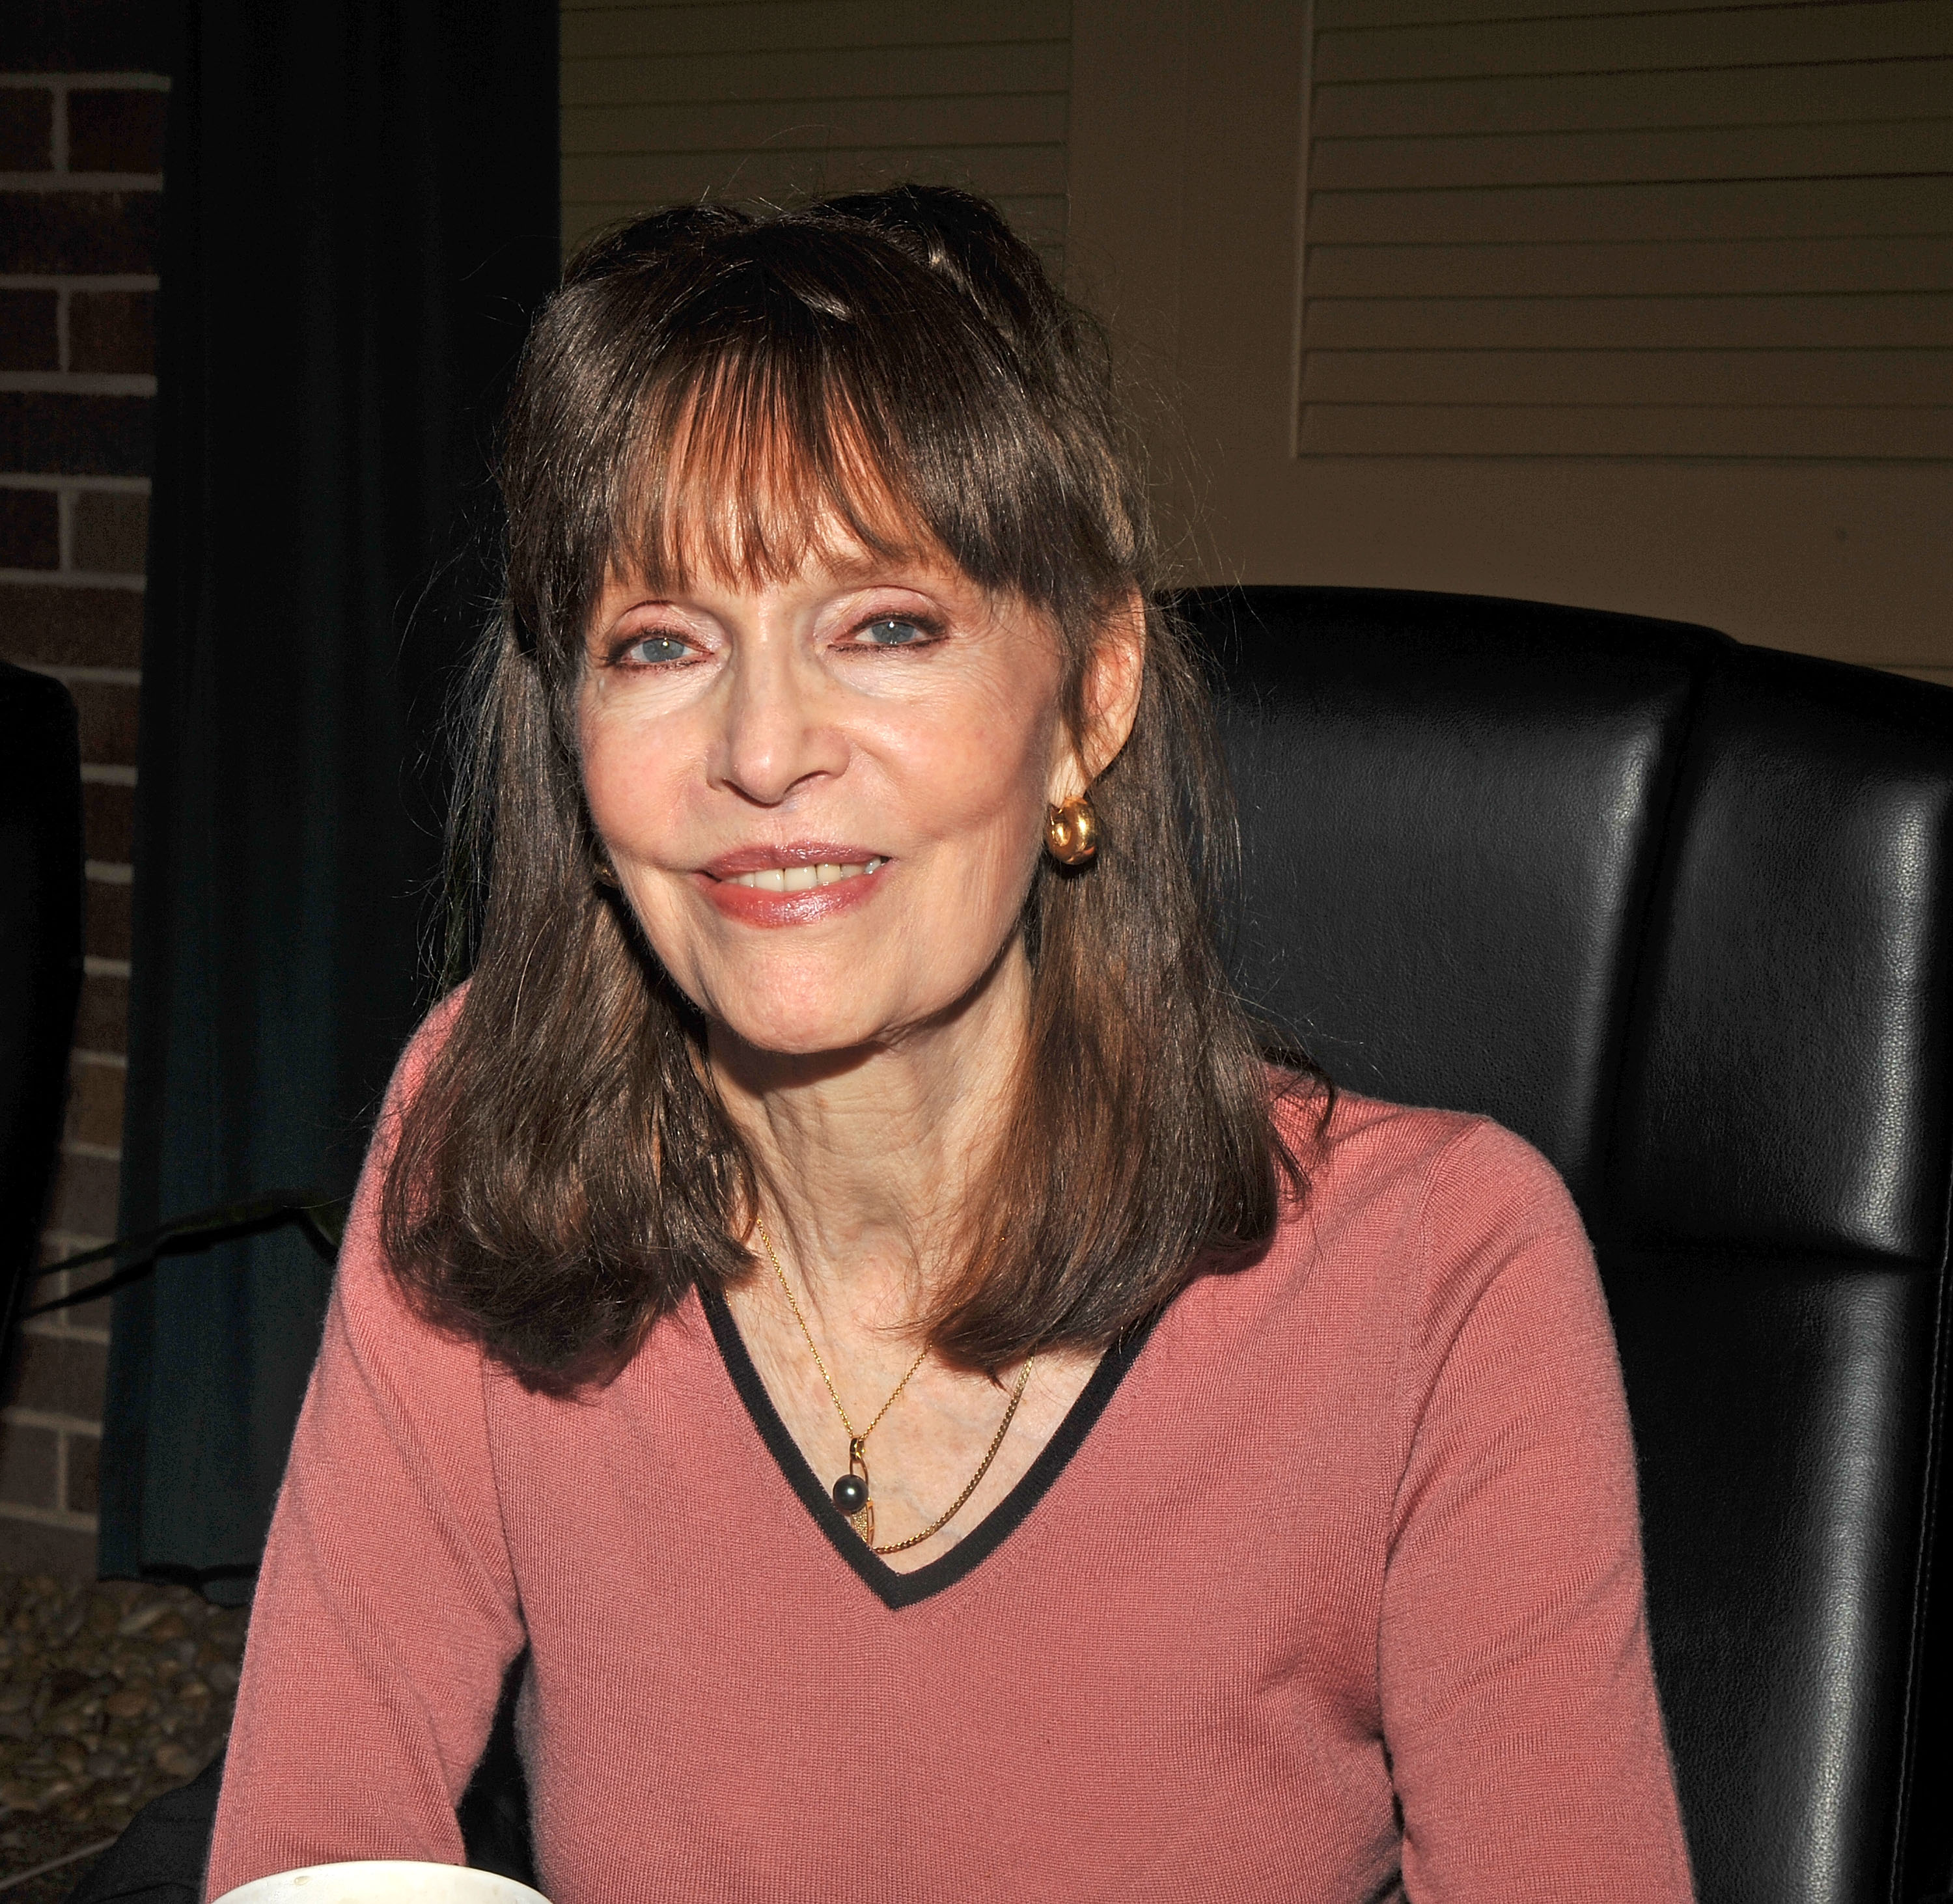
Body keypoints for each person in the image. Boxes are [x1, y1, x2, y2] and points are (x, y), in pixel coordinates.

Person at [202, 186, 1694, 1903]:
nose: (762, 750)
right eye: (663, 645)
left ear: (1093, 697)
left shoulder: (1436, 1276)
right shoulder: (486, 1130)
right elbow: (315, 1857)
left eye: (884, 627)